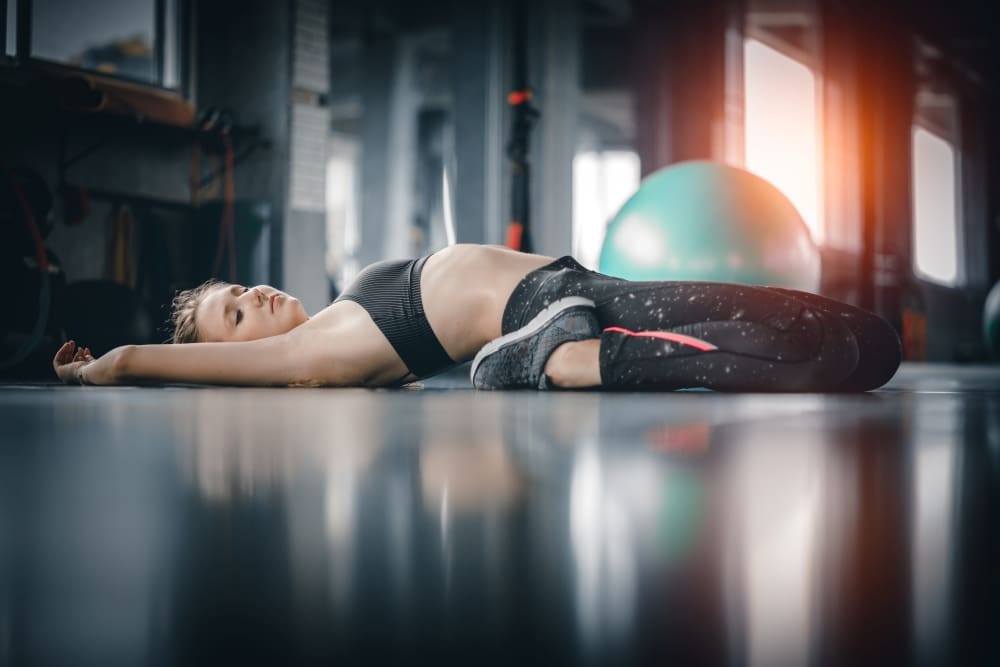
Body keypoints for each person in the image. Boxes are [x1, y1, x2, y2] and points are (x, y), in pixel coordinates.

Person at [53, 243, 901, 391]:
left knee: (874, 341)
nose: (255, 295)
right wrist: (94, 368)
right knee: (820, 351)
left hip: (572, 288)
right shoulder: (305, 356)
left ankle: (535, 360)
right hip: (540, 307)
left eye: (239, 287)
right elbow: (133, 360)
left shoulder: (335, 322)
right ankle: (537, 362)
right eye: (235, 315)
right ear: (230, 359)